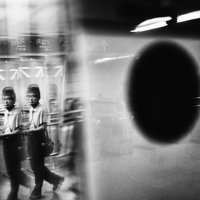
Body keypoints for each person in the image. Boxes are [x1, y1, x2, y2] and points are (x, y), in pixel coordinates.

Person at [22, 84, 64, 200]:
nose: (31, 98)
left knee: (38, 167)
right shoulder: (31, 109)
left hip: (38, 139)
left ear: (38, 97)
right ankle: (56, 179)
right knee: (35, 166)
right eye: (29, 96)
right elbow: (32, 124)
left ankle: (37, 190)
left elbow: (44, 127)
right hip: (30, 140)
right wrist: (26, 128)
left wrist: (32, 130)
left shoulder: (42, 109)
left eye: (33, 96)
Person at [0, 86, 32, 200]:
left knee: (14, 171)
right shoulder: (6, 112)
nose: (5, 101)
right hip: (7, 144)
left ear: (13, 100)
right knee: (11, 171)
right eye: (3, 99)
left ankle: (14, 194)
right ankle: (30, 184)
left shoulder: (16, 112)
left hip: (14, 144)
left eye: (8, 99)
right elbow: (7, 128)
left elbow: (18, 130)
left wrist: (3, 135)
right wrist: (3, 132)